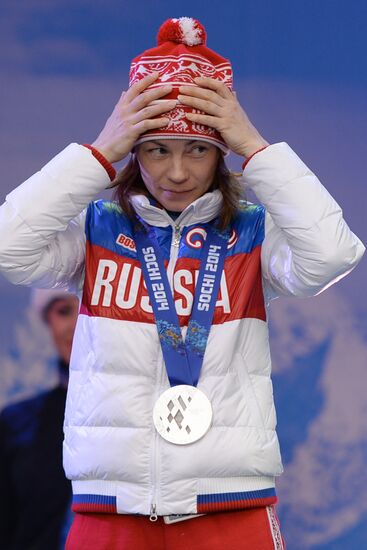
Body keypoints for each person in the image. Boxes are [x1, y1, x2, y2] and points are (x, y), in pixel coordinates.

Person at [0, 16, 364, 550]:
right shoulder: (94, 233)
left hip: (231, 505)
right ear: (133, 152)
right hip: (110, 508)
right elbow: (8, 246)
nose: (176, 172)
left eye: (197, 149)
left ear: (222, 154)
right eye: (155, 149)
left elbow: (333, 254)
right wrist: (99, 151)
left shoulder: (253, 237)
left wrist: (257, 148)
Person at [0, 290, 79, 549]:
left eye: (90, 311)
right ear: (48, 321)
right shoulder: (16, 423)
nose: (78, 324)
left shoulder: (148, 418)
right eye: (64, 311)